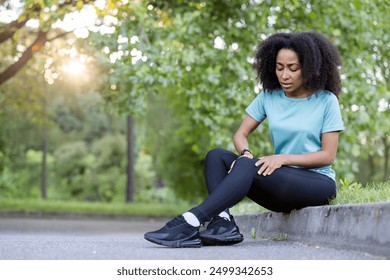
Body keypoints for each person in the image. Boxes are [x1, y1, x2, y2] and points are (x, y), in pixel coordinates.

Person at [144, 31, 344, 248]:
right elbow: (241, 134)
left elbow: (328, 155)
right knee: (217, 156)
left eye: (293, 68)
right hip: (278, 188)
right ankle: (223, 223)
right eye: (279, 68)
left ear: (310, 67)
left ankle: (190, 221)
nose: (284, 75)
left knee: (247, 166)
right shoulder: (269, 96)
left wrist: (282, 159)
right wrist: (245, 154)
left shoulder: (326, 100)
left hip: (316, 184)